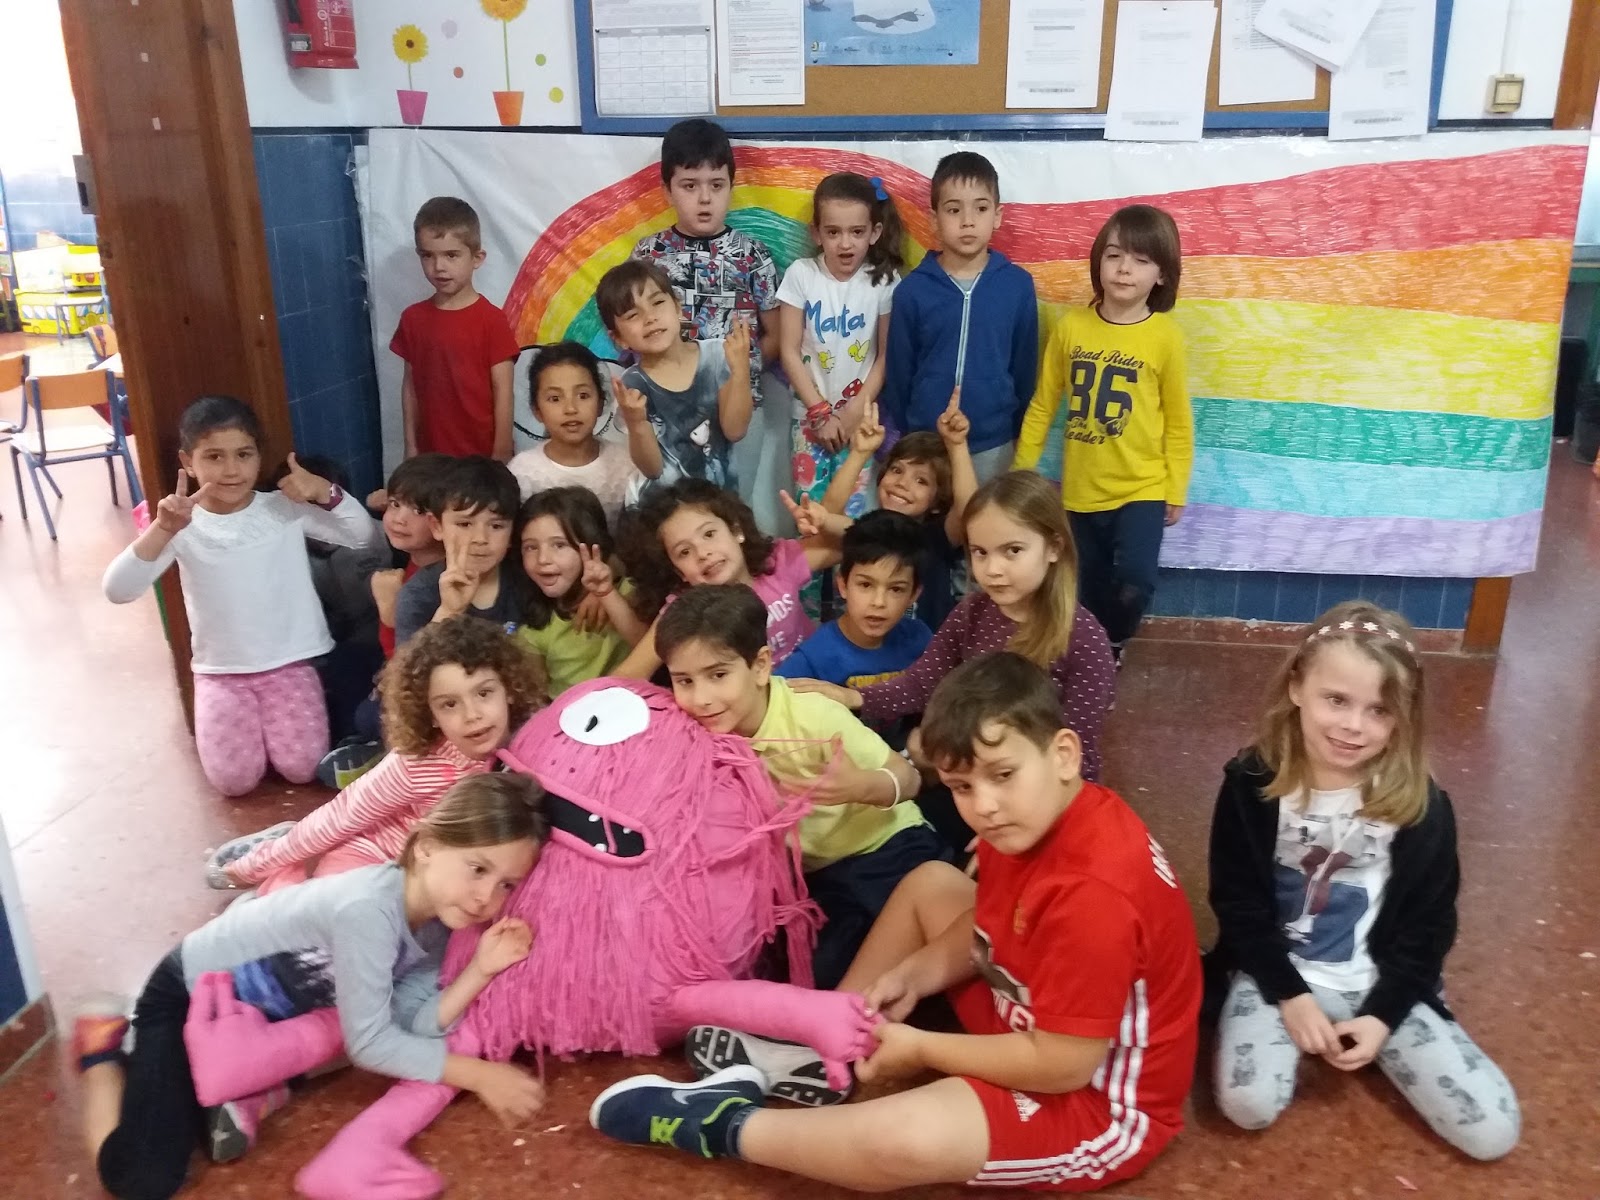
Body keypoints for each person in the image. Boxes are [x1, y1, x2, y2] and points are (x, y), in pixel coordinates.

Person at [591, 651, 1202, 1193]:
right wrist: (916, 973)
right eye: (961, 786)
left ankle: (722, 1126)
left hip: (1092, 1101)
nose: (984, 806)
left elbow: (1062, 1065)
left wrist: (922, 1048)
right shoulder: (1031, 818)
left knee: (902, 1142)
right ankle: (825, 1046)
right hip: (1024, 1007)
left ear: (1065, 754)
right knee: (931, 882)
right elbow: (989, 922)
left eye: (1002, 775)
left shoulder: (1095, 894)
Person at [73, 773, 550, 1200]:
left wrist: (479, 970)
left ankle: (223, 1084)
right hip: (186, 997)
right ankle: (103, 1046)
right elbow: (370, 1044)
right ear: (426, 846)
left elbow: (411, 1023)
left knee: (201, 1101)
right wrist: (477, 1074)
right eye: (478, 868)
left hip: (249, 1025)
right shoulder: (367, 910)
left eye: (506, 885)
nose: (486, 897)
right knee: (142, 1179)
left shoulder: (438, 928)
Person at [1207, 601, 1519, 1160]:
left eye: (1379, 710)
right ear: (1297, 687)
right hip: (1277, 972)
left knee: (1492, 1132)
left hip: (1377, 981)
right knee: (1247, 1104)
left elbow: (1430, 926)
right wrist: (1290, 995)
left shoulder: (1424, 807)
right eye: (1336, 700)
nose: (1353, 725)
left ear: (1404, 718)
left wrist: (1383, 1016)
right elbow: (1238, 902)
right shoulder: (1251, 783)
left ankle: (1368, 1029)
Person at [789, 471, 1115, 851]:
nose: (993, 569)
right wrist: (855, 697)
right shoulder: (972, 612)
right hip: (968, 782)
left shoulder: (1085, 640)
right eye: (980, 552)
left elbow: (1077, 759)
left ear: (1054, 547)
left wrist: (1020, 825)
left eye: (1012, 551)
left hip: (1034, 805)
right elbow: (922, 682)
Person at [655, 584, 939, 993]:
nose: (701, 698)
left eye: (718, 675)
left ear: (760, 666)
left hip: (891, 845)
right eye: (684, 681)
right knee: (806, 973)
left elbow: (908, 779)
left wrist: (861, 785)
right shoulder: (693, 733)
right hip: (819, 877)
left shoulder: (813, 715)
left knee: (916, 941)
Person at [102, 396, 382, 797]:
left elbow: (362, 535)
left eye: (243, 454)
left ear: (258, 456)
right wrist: (162, 530)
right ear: (188, 461)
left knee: (303, 767)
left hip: (290, 666)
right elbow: (117, 590)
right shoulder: (181, 524)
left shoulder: (283, 509)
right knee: (234, 782)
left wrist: (325, 491)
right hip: (221, 674)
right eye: (214, 456)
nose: (231, 470)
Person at [206, 616, 548, 894]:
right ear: (431, 715)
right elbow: (341, 815)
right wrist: (251, 868)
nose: (472, 714)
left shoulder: (535, 746)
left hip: (447, 884)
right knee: (336, 917)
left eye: (484, 693)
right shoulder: (417, 764)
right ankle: (279, 882)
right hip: (375, 863)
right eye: (449, 704)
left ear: (509, 689)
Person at [1013, 205, 1192, 661]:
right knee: (1084, 588)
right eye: (1114, 255)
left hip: (1142, 489)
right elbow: (1043, 405)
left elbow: (1178, 420)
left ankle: (1113, 640)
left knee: (1135, 582)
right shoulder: (1071, 328)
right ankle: (1096, 653)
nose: (1124, 268)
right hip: (1080, 493)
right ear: (1098, 262)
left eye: (1141, 259)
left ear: (1162, 275)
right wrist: (1021, 471)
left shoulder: (1165, 337)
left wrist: (1176, 486)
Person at [631, 118, 784, 522]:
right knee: (670, 515)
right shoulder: (648, 256)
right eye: (689, 185)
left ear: (731, 186)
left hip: (738, 409)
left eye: (716, 185)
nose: (704, 198)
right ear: (667, 190)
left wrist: (740, 375)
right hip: (668, 414)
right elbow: (635, 331)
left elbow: (774, 333)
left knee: (733, 515)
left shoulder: (753, 256)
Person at [882, 151, 1038, 486]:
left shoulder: (1017, 286)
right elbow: (898, 374)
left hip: (993, 445)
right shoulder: (912, 291)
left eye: (980, 208)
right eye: (954, 210)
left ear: (997, 215)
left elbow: (1024, 368)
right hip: (925, 445)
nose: (968, 221)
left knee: (984, 520)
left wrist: (1015, 430)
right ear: (934, 219)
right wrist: (913, 430)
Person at [613, 478, 838, 676]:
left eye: (709, 534)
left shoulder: (778, 562)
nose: (703, 553)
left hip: (816, 687)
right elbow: (630, 674)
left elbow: (852, 544)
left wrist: (826, 520)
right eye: (684, 552)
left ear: (736, 531)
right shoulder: (682, 612)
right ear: (679, 572)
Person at [779, 171, 904, 519]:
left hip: (859, 422)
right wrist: (820, 413)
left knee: (851, 518)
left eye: (857, 232)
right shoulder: (801, 274)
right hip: (809, 420)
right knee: (811, 516)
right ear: (816, 233)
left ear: (875, 233)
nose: (845, 244)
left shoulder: (885, 281)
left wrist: (853, 413)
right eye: (833, 232)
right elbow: (789, 350)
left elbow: (885, 357)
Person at [818, 396, 977, 631]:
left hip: (924, 649)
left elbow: (969, 513)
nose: (902, 483)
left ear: (938, 502)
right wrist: (860, 452)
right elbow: (826, 515)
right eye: (896, 470)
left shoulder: (936, 537)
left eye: (921, 481)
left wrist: (957, 445)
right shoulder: (868, 530)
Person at [596, 259, 753, 496]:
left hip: (722, 501)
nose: (650, 318)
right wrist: (637, 423)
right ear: (618, 338)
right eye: (633, 315)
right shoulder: (633, 386)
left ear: (678, 307)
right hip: (665, 507)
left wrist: (740, 372)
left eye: (658, 302)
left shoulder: (716, 355)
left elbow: (735, 430)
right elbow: (652, 469)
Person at [389, 196, 522, 461]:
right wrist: (410, 448)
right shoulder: (413, 319)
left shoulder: (492, 320)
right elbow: (410, 388)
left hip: (482, 459)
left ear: (477, 258)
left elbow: (504, 392)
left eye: (451, 255)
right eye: (428, 256)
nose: (439, 267)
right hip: (431, 460)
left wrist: (501, 454)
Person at [775, 510, 931, 691]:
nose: (879, 602)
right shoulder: (812, 659)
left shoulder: (920, 640)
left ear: (913, 595)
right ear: (843, 585)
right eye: (865, 585)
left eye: (896, 589)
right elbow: (773, 702)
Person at [513, 486, 646, 695]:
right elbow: (535, 696)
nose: (543, 559)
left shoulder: (626, 592)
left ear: (593, 545)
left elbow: (650, 648)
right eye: (531, 547)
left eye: (559, 545)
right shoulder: (533, 626)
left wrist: (607, 594)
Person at [505, 342, 646, 524]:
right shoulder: (522, 473)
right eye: (555, 398)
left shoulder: (626, 466)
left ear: (601, 403)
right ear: (537, 410)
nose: (571, 409)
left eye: (583, 395)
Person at [393, 456, 526, 647]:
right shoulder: (418, 595)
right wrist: (449, 611)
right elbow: (408, 666)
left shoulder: (528, 582)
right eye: (464, 524)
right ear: (437, 526)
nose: (480, 538)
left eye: (496, 526)